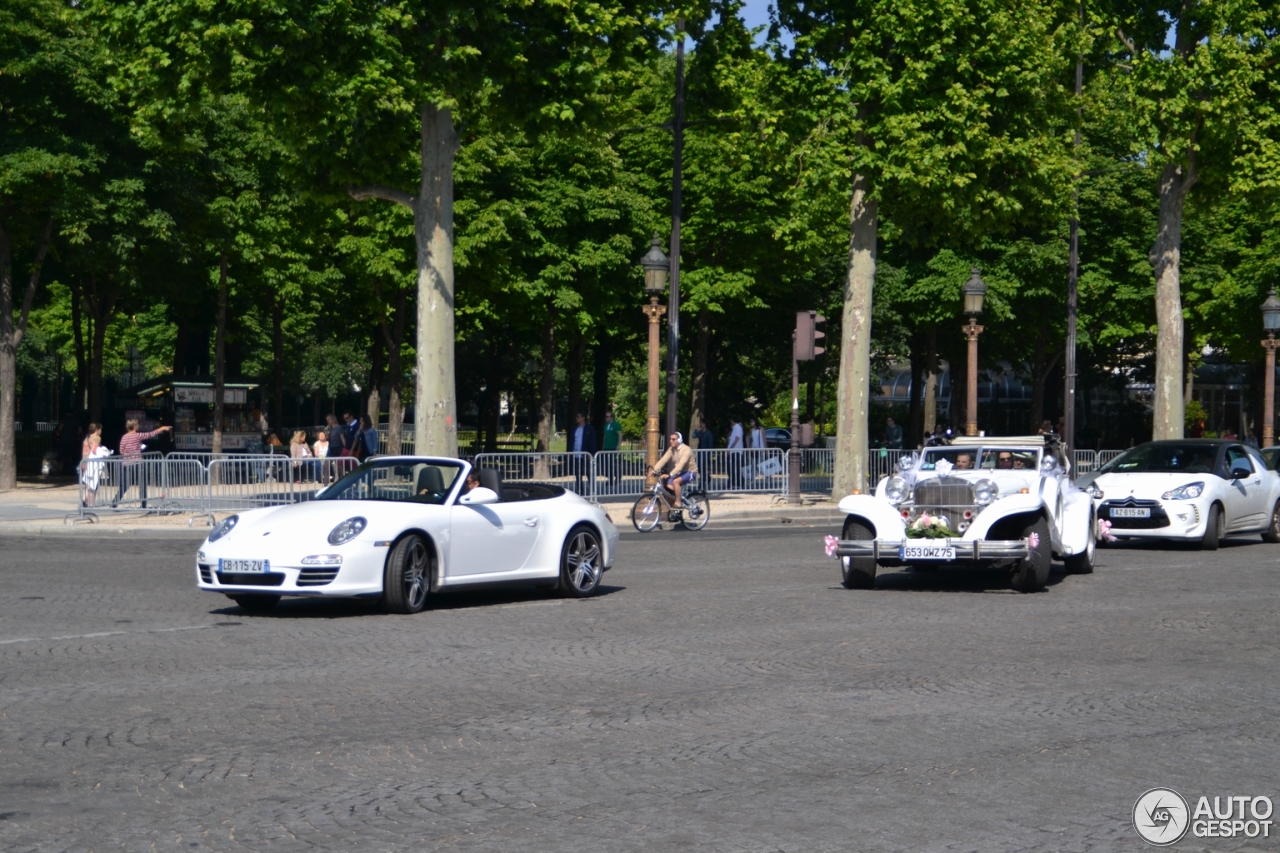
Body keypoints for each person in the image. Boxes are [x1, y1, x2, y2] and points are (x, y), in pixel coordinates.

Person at [114, 418, 173, 508]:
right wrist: (163, 428)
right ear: (134, 426)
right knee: (142, 484)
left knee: (125, 485)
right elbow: (151, 434)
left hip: (127, 463)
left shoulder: (124, 437)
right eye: (137, 425)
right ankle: (143, 504)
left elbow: (121, 451)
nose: (138, 426)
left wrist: (129, 451)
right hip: (137, 462)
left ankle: (114, 502)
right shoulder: (138, 436)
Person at [651, 431, 698, 510]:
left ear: (679, 440)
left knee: (675, 481)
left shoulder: (686, 450)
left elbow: (680, 465)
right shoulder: (671, 449)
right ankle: (674, 509)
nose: (671, 441)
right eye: (670, 439)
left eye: (673, 439)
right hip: (680, 472)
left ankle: (678, 503)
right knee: (668, 488)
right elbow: (663, 460)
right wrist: (654, 470)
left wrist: (670, 474)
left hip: (690, 472)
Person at [80, 424, 110, 507]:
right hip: (93, 464)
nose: (101, 431)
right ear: (97, 429)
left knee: (88, 485)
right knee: (93, 485)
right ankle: (91, 503)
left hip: (85, 462)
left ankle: (84, 501)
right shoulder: (96, 439)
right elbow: (96, 451)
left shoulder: (86, 439)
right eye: (100, 429)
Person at [568, 412, 597, 494]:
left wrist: (591, 453)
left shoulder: (589, 428)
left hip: (586, 454)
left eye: (578, 416)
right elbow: (572, 441)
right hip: (576, 454)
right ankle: (580, 489)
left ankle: (593, 489)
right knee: (578, 473)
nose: (576, 418)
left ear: (583, 418)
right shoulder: (574, 428)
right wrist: (570, 452)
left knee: (588, 472)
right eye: (576, 416)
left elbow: (592, 441)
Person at [727, 416, 745, 489]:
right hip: (733, 451)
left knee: (736, 468)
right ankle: (733, 482)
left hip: (737, 451)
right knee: (731, 468)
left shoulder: (738, 428)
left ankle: (740, 483)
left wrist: (731, 448)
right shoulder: (734, 429)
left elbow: (737, 438)